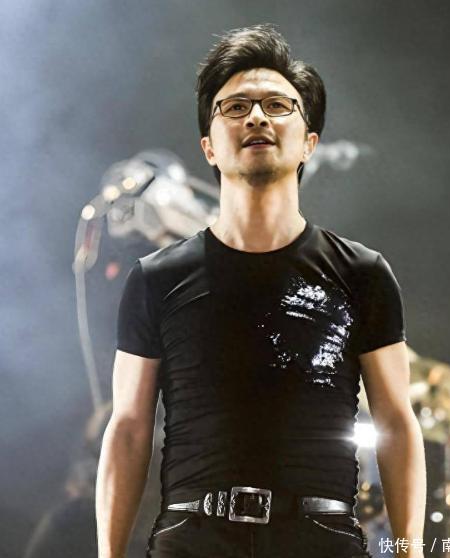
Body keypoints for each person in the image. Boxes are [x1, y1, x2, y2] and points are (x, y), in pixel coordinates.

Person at [95, 23, 427, 558]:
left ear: (309, 143)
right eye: (235, 107)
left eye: (277, 105)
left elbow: (396, 422)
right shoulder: (155, 278)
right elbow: (129, 427)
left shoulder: (362, 273)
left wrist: (410, 552)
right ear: (208, 147)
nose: (256, 117)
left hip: (321, 540)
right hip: (193, 539)